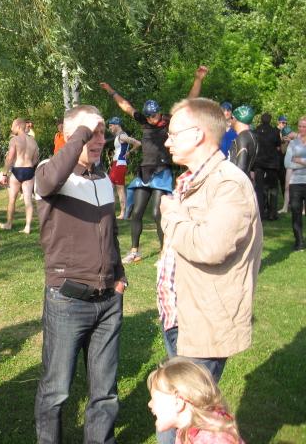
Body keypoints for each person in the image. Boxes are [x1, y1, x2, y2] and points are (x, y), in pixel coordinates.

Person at [157, 98, 261, 443]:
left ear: (198, 134)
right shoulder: (193, 180)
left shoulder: (228, 184)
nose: (167, 141)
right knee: (185, 415)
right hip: (182, 316)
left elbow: (209, 247)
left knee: (180, 418)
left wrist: (170, 214)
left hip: (204, 323)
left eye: (173, 134)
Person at [34, 105, 127, 444]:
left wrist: (119, 276)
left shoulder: (101, 177)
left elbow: (110, 233)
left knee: (105, 392)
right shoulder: (50, 172)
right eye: (91, 133)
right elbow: (47, 181)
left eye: (101, 133)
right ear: (70, 136)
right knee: (56, 391)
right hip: (68, 300)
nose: (99, 140)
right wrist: (81, 133)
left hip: (108, 300)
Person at [100, 65, 207, 263]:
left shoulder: (168, 121)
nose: (152, 119)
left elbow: (189, 102)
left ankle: (164, 252)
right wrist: (111, 91)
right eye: (149, 116)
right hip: (144, 172)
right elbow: (126, 106)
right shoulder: (144, 121)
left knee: (158, 213)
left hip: (162, 171)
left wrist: (198, 79)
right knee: (137, 213)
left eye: (154, 115)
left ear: (158, 112)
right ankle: (134, 251)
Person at [147, 358, 245, 444]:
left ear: (178, 402)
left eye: (155, 399)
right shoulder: (185, 431)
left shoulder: (213, 440)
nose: (150, 404)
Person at [0, 118, 40, 234]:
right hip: (29, 170)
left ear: (18, 126)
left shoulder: (14, 140)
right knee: (28, 200)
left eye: (12, 126)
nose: (11, 128)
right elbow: (36, 158)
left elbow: (10, 157)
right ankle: (27, 227)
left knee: (12, 199)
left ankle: (9, 224)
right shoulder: (33, 141)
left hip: (17, 170)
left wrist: (4, 174)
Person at [108, 116, 142, 219]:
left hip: (120, 164)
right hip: (116, 164)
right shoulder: (119, 136)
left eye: (111, 125)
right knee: (110, 186)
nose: (110, 128)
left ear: (117, 125)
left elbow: (138, 143)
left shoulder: (122, 136)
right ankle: (111, 211)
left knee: (120, 188)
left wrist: (129, 152)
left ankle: (123, 213)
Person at [253, 113, 281, 220]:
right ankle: (272, 213)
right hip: (272, 163)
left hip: (259, 163)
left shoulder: (256, 132)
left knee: (260, 188)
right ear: (270, 120)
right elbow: (278, 147)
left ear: (261, 120)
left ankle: (262, 211)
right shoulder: (275, 132)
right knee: (273, 188)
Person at [284, 116, 306, 251]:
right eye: (300, 126)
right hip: (295, 183)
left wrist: (299, 160)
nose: (301, 129)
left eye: (304, 126)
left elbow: (293, 161)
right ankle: (299, 242)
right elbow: (287, 163)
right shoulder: (293, 143)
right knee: (296, 213)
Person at [228, 105, 257, 175]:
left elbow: (241, 166)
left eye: (232, 117)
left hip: (237, 179)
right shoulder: (252, 136)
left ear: (236, 119)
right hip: (246, 176)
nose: (230, 120)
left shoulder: (242, 137)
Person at [278, 115, 296, 213]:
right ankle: (285, 207)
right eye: (282, 122)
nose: (284, 124)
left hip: (296, 165)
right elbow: (282, 150)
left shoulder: (297, 138)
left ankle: (302, 208)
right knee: (286, 186)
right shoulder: (280, 134)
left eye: (285, 122)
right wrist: (284, 141)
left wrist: (291, 140)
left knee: (299, 186)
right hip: (286, 164)